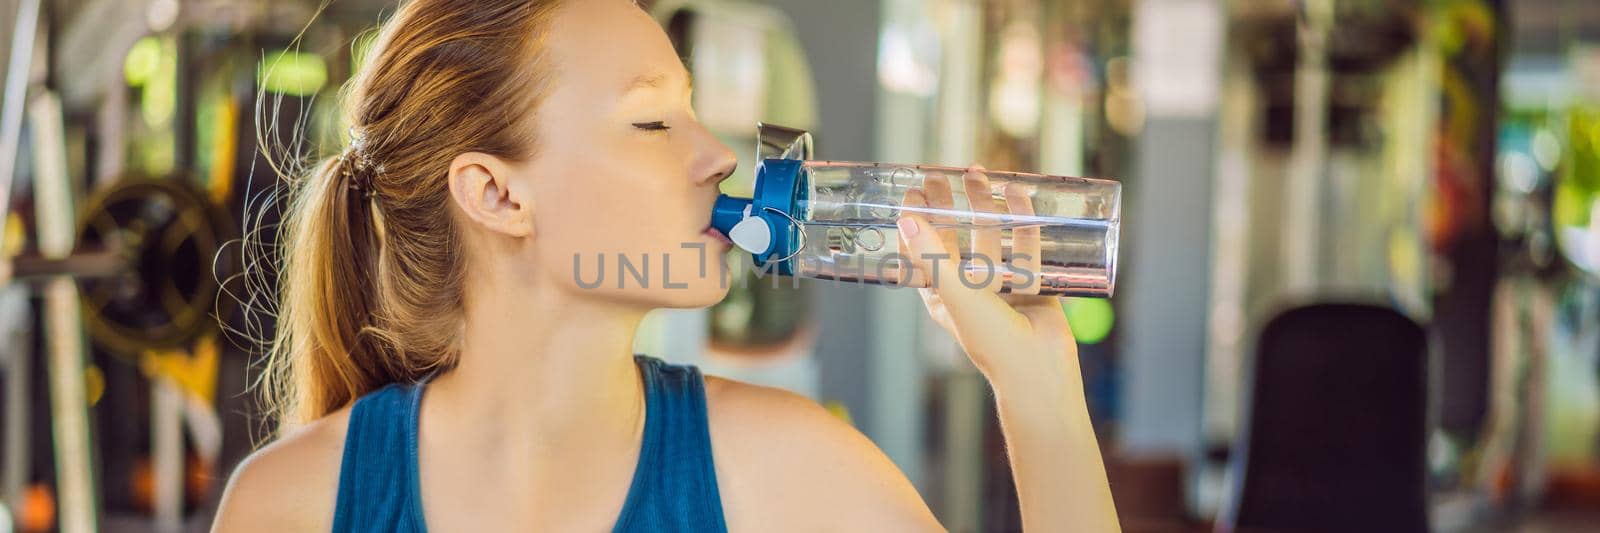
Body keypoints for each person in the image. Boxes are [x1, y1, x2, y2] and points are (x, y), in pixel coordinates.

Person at [211, 0, 1119, 531]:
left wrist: (1040, 392)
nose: (717, 156)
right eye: (653, 121)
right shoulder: (291, 503)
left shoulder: (792, 471)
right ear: (495, 193)